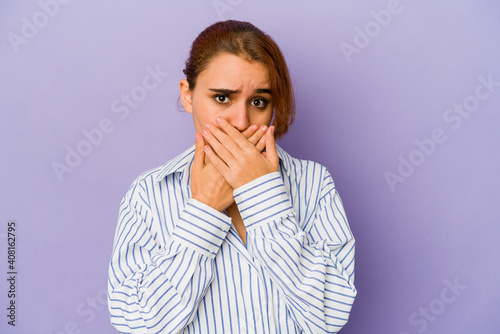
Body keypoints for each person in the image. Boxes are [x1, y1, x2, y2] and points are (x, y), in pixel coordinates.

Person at [107, 20, 356, 333]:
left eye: (258, 102)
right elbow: (139, 324)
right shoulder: (149, 193)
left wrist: (263, 193)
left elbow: (329, 316)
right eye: (223, 98)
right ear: (187, 95)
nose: (241, 121)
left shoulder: (313, 184)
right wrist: (204, 209)